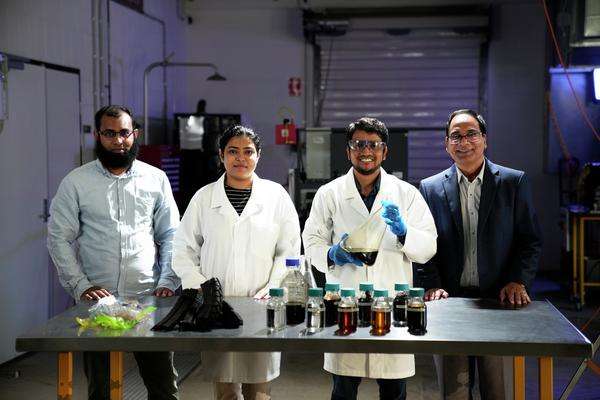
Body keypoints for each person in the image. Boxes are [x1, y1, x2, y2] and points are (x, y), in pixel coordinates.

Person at [47, 105, 180, 400]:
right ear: (97, 135)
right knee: (102, 389)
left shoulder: (155, 179)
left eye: (124, 133)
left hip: (148, 299)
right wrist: (81, 285)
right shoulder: (76, 182)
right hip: (98, 304)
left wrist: (168, 280)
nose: (118, 141)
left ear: (135, 134)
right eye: (109, 133)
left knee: (163, 388)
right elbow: (58, 238)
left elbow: (171, 234)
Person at [302, 117, 437, 400]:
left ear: (385, 151)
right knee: (343, 391)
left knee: (394, 391)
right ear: (348, 150)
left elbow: (428, 247)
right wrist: (331, 254)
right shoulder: (330, 194)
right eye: (358, 144)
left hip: (392, 304)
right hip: (345, 303)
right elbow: (311, 242)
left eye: (374, 145)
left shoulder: (406, 194)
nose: (366, 151)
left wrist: (404, 232)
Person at [417, 109, 542, 400]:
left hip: (499, 302)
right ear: (447, 144)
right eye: (456, 136)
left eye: (471, 134)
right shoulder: (430, 188)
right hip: (449, 304)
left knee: (498, 390)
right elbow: (423, 246)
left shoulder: (513, 182)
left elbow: (529, 240)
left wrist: (518, 280)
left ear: (484, 140)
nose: (464, 142)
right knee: (454, 392)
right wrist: (431, 284)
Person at [172, 125, 301, 400]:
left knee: (260, 390)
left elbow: (289, 250)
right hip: (218, 306)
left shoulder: (276, 196)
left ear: (258, 156)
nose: (241, 158)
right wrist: (200, 286)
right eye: (233, 151)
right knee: (225, 390)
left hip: (262, 304)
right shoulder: (205, 197)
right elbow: (183, 248)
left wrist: (274, 286)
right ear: (221, 155)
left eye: (248, 152)